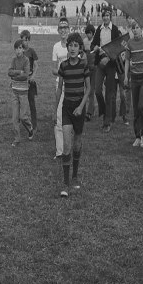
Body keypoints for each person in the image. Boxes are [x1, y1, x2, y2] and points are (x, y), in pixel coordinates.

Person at [55, 32, 90, 197]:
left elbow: (88, 89)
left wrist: (81, 107)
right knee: (67, 145)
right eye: (71, 45)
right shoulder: (63, 66)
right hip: (67, 108)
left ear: (80, 48)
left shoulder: (84, 65)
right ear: (67, 47)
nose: (73, 48)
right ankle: (65, 182)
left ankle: (75, 176)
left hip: (79, 109)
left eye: (76, 45)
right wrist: (55, 109)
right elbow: (59, 88)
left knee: (77, 144)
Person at [92, 8, 122, 132]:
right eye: (103, 15)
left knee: (109, 93)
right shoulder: (99, 29)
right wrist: (95, 47)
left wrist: (108, 58)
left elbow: (118, 47)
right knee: (98, 90)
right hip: (100, 63)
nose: (105, 17)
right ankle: (104, 111)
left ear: (111, 16)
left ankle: (107, 122)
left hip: (110, 63)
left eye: (107, 15)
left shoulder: (114, 29)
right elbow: (94, 44)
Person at [124, 22, 143, 148]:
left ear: (142, 29)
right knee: (135, 108)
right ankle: (137, 136)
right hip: (134, 78)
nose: (135, 30)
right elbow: (127, 61)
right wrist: (126, 76)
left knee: (141, 106)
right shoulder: (129, 43)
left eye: (137, 28)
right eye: (133, 28)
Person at [8, 39, 34, 146]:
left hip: (23, 93)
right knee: (15, 118)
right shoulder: (13, 60)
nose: (18, 50)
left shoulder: (26, 60)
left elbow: (26, 75)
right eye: (16, 48)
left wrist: (16, 76)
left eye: (20, 48)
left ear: (23, 49)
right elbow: (9, 72)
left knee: (23, 117)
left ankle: (30, 128)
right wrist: (19, 72)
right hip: (14, 92)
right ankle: (17, 139)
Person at [52, 17, 70, 159]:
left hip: (73, 85)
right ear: (58, 31)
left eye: (65, 27)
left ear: (69, 29)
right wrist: (62, 71)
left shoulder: (74, 45)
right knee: (59, 117)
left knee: (71, 118)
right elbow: (53, 69)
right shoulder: (56, 46)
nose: (63, 30)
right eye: (61, 28)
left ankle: (69, 148)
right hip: (60, 84)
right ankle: (59, 151)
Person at [20, 30, 39, 134]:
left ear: (29, 40)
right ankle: (22, 121)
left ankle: (34, 125)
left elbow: (36, 65)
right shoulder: (20, 52)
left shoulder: (31, 51)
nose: (24, 42)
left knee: (31, 103)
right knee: (21, 102)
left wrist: (33, 76)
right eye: (22, 40)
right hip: (22, 81)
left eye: (26, 40)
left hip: (30, 82)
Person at [82, 24, 96, 121]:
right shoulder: (84, 41)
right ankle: (84, 110)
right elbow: (82, 54)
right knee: (85, 89)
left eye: (90, 33)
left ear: (93, 33)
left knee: (91, 91)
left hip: (94, 69)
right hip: (86, 68)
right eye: (87, 33)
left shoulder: (96, 41)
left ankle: (89, 112)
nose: (88, 35)